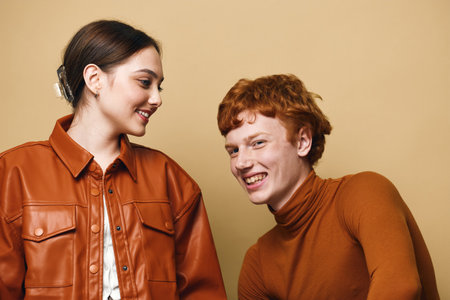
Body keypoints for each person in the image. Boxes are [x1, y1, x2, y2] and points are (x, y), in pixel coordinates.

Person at [0, 20, 226, 300]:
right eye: (145, 82)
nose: (156, 99)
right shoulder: (13, 174)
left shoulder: (172, 180)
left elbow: (204, 293)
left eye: (159, 87)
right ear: (95, 79)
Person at [217, 74, 440, 299]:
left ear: (302, 141)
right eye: (233, 150)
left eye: (258, 143)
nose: (241, 162)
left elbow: (401, 287)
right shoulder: (257, 264)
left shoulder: (363, 192)